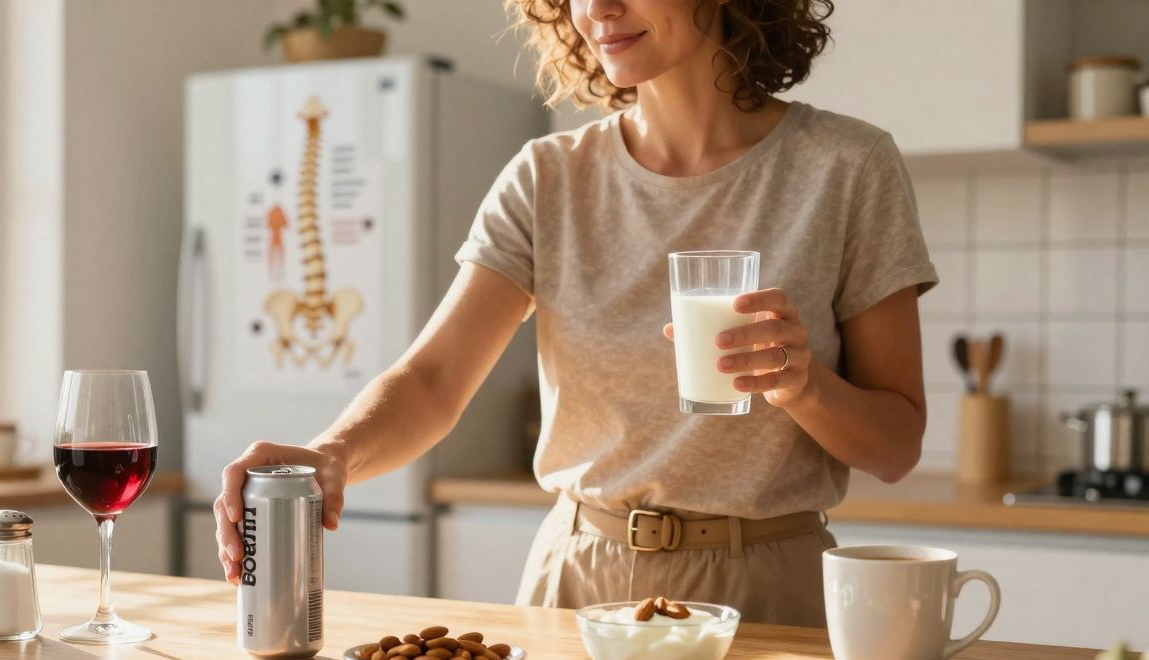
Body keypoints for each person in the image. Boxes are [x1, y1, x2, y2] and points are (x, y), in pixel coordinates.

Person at [213, 0, 937, 627]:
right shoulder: (547, 178)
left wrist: (801, 384)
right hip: (580, 586)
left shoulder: (848, 167)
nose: (597, 9)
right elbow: (433, 380)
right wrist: (332, 453)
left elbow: (896, 445)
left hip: (775, 590)